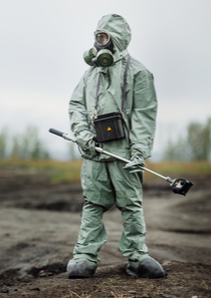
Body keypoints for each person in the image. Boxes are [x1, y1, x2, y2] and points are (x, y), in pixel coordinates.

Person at [67, 14, 165, 278]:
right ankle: (84, 257)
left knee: (131, 205)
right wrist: (82, 133)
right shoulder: (90, 74)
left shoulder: (139, 73)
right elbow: (76, 106)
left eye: (104, 37)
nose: (99, 43)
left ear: (117, 39)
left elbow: (145, 114)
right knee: (93, 203)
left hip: (124, 154)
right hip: (94, 153)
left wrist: (139, 151)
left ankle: (137, 257)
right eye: (96, 37)